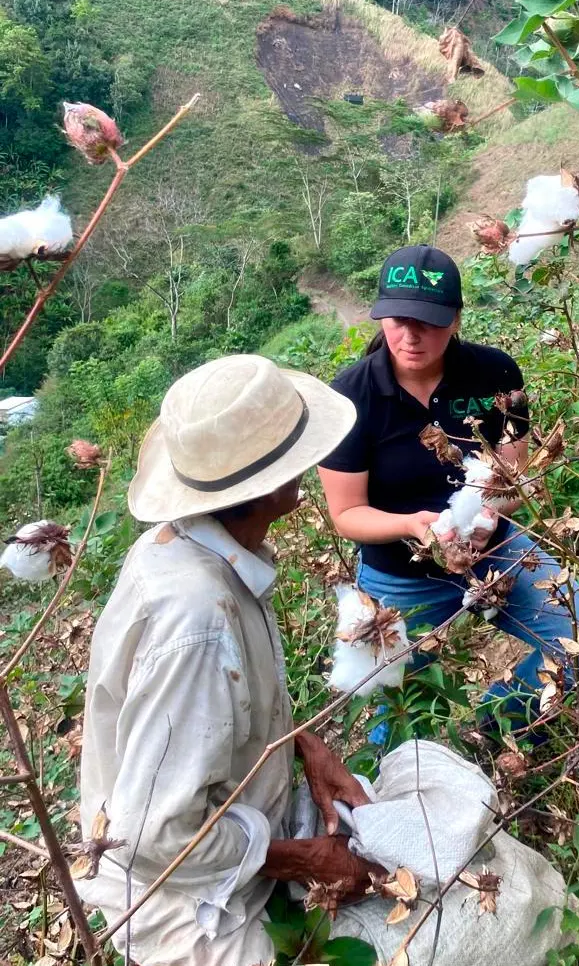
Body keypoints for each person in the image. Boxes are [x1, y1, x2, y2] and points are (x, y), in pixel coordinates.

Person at [78, 354, 381, 966]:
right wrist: (306, 860)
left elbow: (226, 706)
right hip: (178, 900)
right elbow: (156, 834)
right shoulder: (194, 617)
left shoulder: (201, 547)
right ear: (275, 485)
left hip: (235, 826)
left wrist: (306, 746)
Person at [318, 245, 579, 732]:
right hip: (399, 577)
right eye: (397, 319)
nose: (411, 336)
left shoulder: (493, 373)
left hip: (496, 554)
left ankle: (490, 730)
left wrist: (489, 515)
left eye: (428, 322)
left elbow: (513, 476)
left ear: (454, 318)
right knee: (395, 716)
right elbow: (347, 513)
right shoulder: (349, 397)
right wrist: (414, 526)